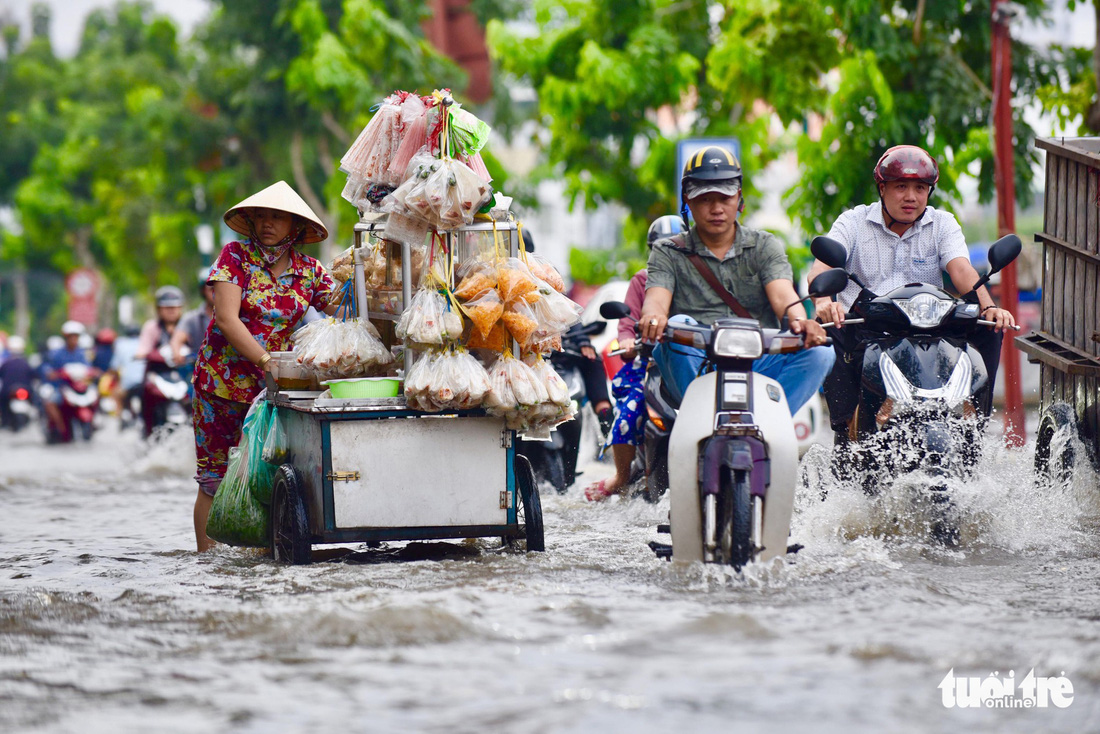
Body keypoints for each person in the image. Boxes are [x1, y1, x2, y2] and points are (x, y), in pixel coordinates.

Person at [806, 145, 1016, 442]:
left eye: (920, 187)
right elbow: (819, 270)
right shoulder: (853, 222)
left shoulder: (942, 224)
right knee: (826, 331)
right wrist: (824, 302)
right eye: (900, 186)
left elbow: (960, 270)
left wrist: (989, 306)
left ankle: (974, 421)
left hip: (929, 328)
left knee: (991, 326)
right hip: (864, 326)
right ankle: (845, 428)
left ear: (929, 191)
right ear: (882, 188)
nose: (911, 197)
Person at [191, 181, 340, 552]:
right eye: (261, 216)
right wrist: (263, 359)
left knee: (269, 471)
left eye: (277, 217)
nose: (268, 223)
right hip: (221, 385)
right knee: (214, 476)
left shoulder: (310, 271)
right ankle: (206, 561)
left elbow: (343, 307)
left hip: (276, 388)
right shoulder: (234, 257)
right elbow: (226, 318)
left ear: (294, 226)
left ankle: (262, 553)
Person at [637, 145, 833, 417]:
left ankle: (767, 424)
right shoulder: (667, 251)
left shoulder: (765, 245)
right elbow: (656, 302)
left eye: (725, 197)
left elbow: (784, 298)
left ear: (739, 198)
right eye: (705, 199)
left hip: (755, 360)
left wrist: (804, 325)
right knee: (678, 324)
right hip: (694, 361)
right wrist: (653, 318)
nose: (716, 208)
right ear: (687, 201)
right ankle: (699, 417)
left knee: (821, 353)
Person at [585, 214, 685, 502]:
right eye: (660, 250)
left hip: (693, 360)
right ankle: (621, 476)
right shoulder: (642, 280)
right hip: (649, 363)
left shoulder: (698, 276)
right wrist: (628, 340)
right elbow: (627, 324)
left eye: (675, 249)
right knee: (629, 412)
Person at [39, 321, 93, 436]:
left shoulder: (82, 354)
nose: (74, 340)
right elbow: (46, 367)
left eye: (76, 337)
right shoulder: (56, 353)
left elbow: (88, 368)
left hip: (77, 387)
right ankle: (60, 428)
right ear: (66, 338)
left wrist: (92, 373)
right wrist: (52, 373)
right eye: (71, 337)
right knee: (50, 402)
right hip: (61, 387)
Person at [170, 267, 215, 365]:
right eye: (212, 289)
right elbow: (176, 341)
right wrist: (177, 354)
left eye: (222, 289)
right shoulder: (192, 319)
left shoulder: (237, 316)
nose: (217, 293)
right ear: (203, 291)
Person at [134, 286, 185, 360]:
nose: (171, 311)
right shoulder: (151, 327)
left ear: (180, 308)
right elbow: (142, 352)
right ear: (158, 309)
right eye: (167, 307)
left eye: (174, 307)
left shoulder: (188, 325)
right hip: (158, 369)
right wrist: (153, 355)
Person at [0, 335, 35, 429]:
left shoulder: (6, 363)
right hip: (19, 390)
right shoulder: (26, 362)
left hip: (11, 391)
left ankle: (5, 421)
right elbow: (34, 375)